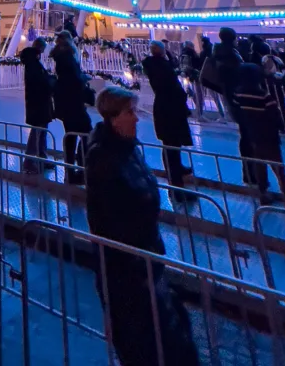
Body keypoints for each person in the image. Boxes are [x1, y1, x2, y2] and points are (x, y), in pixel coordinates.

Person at [85, 86, 199, 366]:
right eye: (130, 112)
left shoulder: (131, 151)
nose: (137, 118)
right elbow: (102, 228)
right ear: (114, 118)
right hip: (130, 275)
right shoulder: (104, 160)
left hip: (149, 263)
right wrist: (108, 301)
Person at [232, 63, 285, 205]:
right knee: (278, 167)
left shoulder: (238, 93)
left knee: (259, 166)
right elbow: (275, 115)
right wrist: (280, 127)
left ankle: (263, 194)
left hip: (252, 135)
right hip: (269, 136)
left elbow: (237, 112)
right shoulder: (264, 96)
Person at [142, 41, 195, 198]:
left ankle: (177, 171)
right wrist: (184, 97)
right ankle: (176, 186)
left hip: (163, 107)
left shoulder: (152, 65)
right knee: (172, 144)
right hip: (171, 107)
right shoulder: (163, 68)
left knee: (169, 143)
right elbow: (174, 87)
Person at [50, 30, 95, 183]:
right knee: (86, 133)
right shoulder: (68, 58)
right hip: (73, 102)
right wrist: (84, 78)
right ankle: (82, 168)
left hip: (64, 103)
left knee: (71, 135)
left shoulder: (59, 58)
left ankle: (70, 170)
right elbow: (74, 80)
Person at [19, 37, 55, 174]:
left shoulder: (32, 62)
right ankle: (29, 161)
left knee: (41, 132)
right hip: (39, 103)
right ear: (40, 48)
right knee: (37, 132)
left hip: (38, 103)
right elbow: (40, 82)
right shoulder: (34, 64)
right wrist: (50, 81)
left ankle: (41, 158)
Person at [212, 27, 244, 117]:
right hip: (236, 82)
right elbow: (237, 65)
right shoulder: (231, 51)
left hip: (224, 81)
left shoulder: (217, 50)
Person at [262, 54, 285, 134]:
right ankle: (283, 126)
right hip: (274, 91)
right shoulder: (275, 60)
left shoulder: (271, 60)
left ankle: (284, 126)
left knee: (280, 107)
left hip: (276, 90)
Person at [179, 40, 203, 118]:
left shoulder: (182, 54)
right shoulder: (191, 54)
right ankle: (199, 112)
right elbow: (193, 64)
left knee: (189, 92)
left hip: (185, 76)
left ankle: (194, 111)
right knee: (197, 94)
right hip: (193, 76)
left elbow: (182, 65)